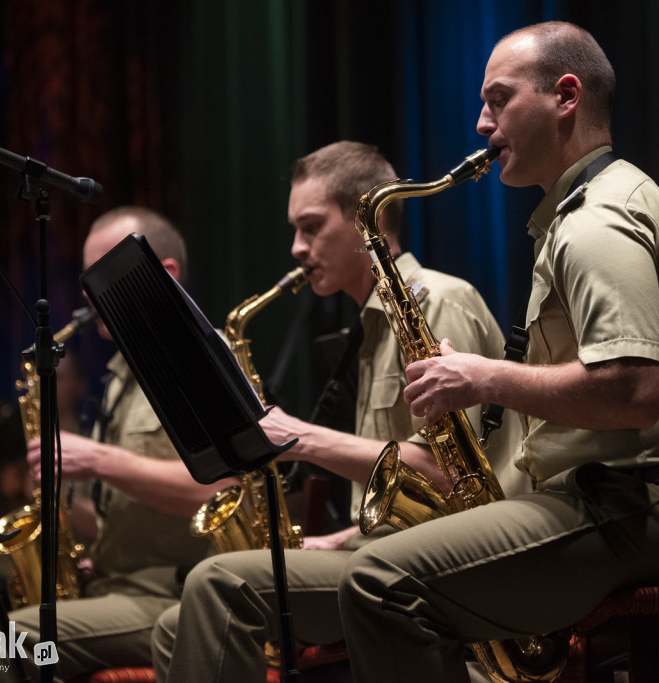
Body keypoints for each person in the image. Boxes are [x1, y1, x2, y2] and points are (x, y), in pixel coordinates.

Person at [321, 22, 659, 683]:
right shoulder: (580, 215)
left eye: (498, 100)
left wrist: (481, 376)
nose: (479, 124)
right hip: (635, 501)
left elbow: (636, 391)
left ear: (565, 96)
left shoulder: (598, 221)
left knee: (383, 580)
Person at [153, 141, 528, 682]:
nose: (297, 249)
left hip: (446, 562)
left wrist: (298, 436)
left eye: (311, 227)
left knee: (218, 585)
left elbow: (449, 477)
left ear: (365, 215)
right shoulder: (370, 326)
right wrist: (344, 535)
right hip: (383, 551)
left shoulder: (436, 301)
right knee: (175, 622)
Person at [0, 206, 229, 682]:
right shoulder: (123, 378)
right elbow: (126, 515)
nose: (87, 296)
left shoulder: (201, 360)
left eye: (103, 275)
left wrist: (101, 460)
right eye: (86, 281)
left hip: (175, 597)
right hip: (109, 589)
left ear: (165, 274)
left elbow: (217, 490)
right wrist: (63, 510)